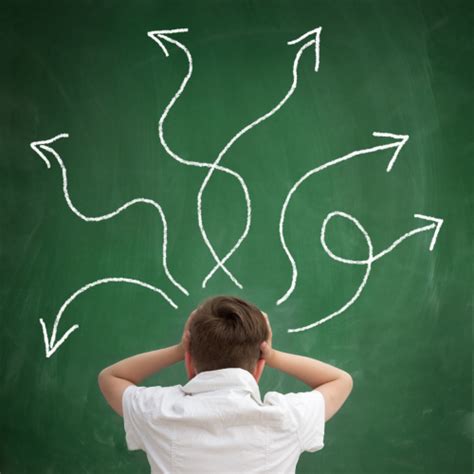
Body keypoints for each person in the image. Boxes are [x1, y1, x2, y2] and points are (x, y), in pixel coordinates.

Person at [98, 295, 353, 473]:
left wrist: (179, 349)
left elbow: (111, 378)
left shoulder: (158, 412)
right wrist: (272, 354)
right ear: (259, 366)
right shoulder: (287, 419)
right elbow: (340, 380)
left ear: (189, 360)